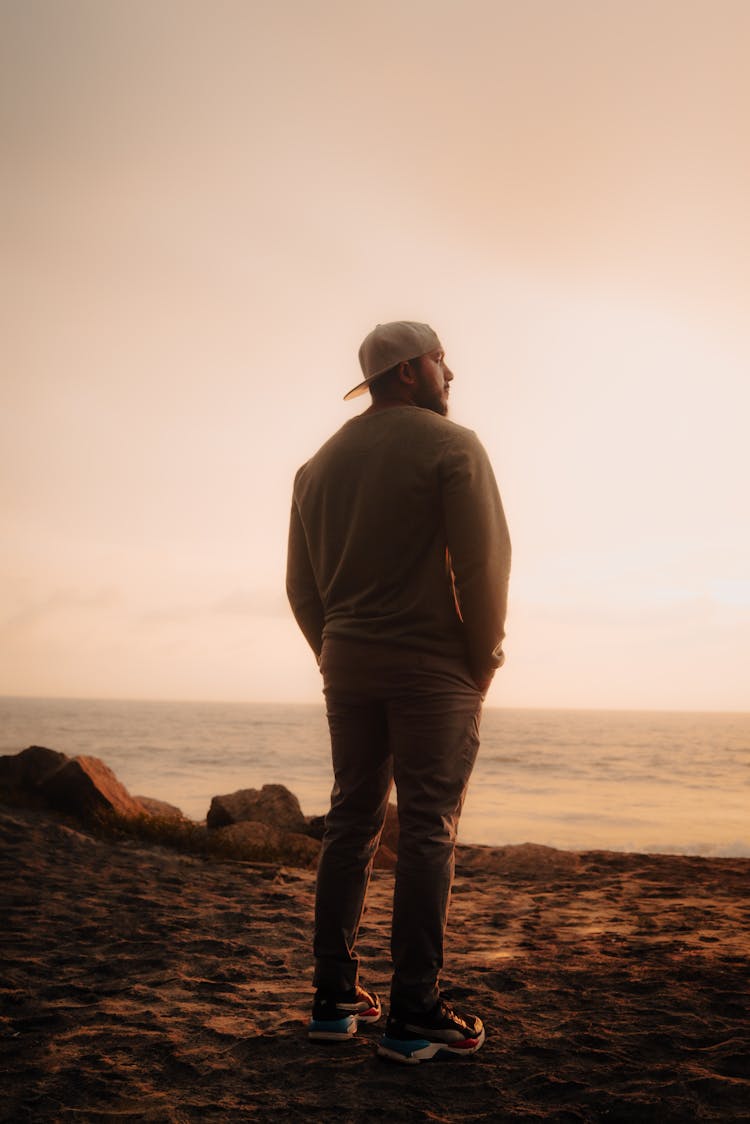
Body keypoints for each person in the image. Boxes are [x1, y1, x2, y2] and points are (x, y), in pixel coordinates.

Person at [286, 320, 511, 1064]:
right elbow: (483, 566)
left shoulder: (315, 467)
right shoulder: (453, 446)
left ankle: (334, 996)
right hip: (430, 667)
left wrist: (335, 651)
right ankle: (415, 1011)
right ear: (412, 371)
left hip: (347, 663)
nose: (454, 374)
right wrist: (482, 657)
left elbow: (300, 586)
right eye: (444, 361)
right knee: (426, 827)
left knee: (350, 821)